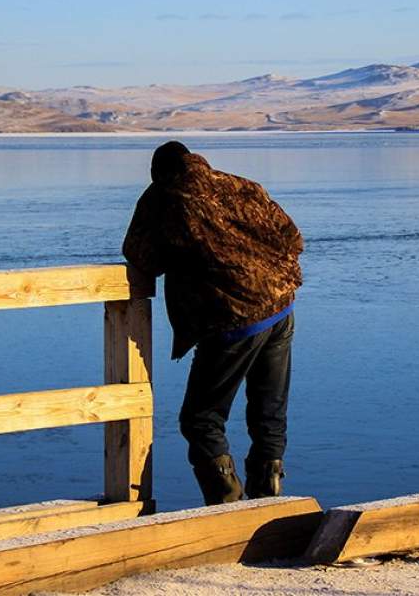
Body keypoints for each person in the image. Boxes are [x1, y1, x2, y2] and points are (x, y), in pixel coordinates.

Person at [122, 141, 303, 505]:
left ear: (159, 174)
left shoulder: (167, 201)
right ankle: (269, 502)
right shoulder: (240, 185)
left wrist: (152, 204)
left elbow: (141, 256)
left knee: (200, 419)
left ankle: (227, 505)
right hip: (281, 307)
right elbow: (292, 237)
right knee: (268, 414)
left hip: (232, 318)